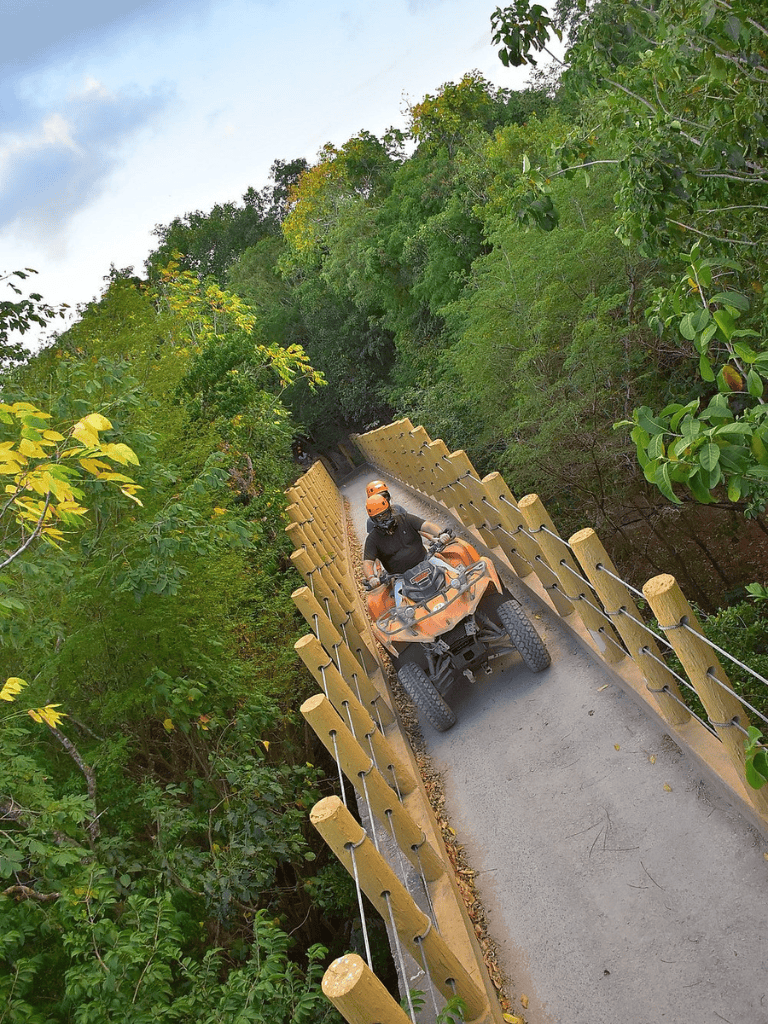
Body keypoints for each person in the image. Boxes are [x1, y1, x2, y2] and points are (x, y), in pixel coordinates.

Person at [362, 494, 452, 600]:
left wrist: (441, 534)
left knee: (456, 575)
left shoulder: (405, 519)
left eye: (384, 515)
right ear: (373, 520)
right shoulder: (372, 539)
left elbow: (426, 525)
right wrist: (371, 577)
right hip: (400, 578)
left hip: (427, 561)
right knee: (401, 609)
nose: (383, 520)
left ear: (389, 510)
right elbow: (367, 562)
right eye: (378, 518)